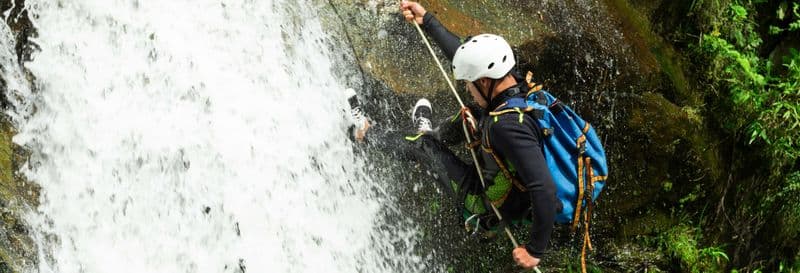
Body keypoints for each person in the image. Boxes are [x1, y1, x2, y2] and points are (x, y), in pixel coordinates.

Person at [344, 1, 557, 269]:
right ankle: (430, 130)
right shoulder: (514, 87)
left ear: (484, 81)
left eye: (469, 83)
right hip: (508, 183)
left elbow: (545, 188)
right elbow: (468, 58)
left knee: (425, 146)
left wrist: (535, 249)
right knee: (472, 114)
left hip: (486, 203)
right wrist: (427, 21)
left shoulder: (509, 127)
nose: (466, 88)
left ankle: (363, 134)